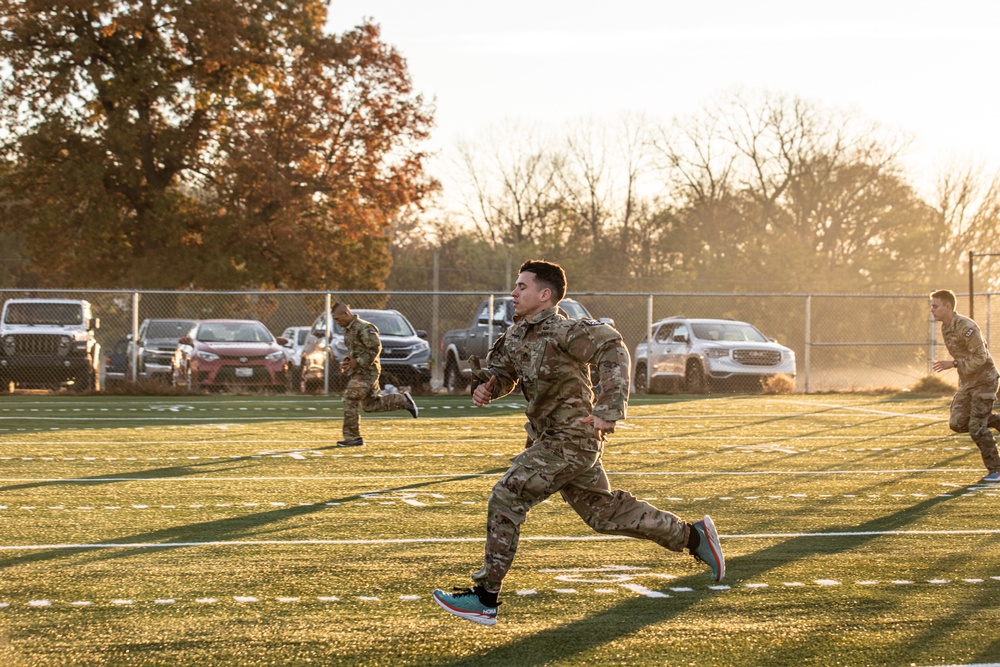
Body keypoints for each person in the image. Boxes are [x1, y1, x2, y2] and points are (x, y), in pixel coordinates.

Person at [431, 260, 725, 626]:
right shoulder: (516, 336)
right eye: (515, 286)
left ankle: (485, 597)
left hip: (573, 439)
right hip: (548, 439)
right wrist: (488, 386)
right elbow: (504, 373)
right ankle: (694, 538)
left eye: (522, 286)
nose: (514, 293)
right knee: (603, 514)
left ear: (545, 294)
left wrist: (609, 408)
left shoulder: (565, 330)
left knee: (507, 494)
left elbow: (613, 349)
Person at [930, 289, 1000, 482]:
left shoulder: (966, 326)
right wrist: (961, 374)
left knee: (977, 427)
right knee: (957, 423)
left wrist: (953, 365)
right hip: (969, 382)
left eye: (935, 306)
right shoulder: (946, 327)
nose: (931, 310)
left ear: (947, 307)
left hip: (985, 380)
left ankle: (996, 470)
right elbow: (962, 356)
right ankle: (995, 421)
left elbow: (980, 356)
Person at [332, 302, 418, 447]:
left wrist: (357, 362)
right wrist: (348, 362)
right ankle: (403, 401)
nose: (337, 322)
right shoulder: (349, 329)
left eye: (337, 318)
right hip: (359, 372)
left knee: (350, 399)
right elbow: (356, 350)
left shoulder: (364, 328)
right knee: (370, 405)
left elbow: (375, 349)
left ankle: (353, 438)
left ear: (346, 314)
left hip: (367, 372)